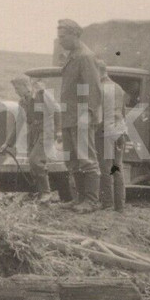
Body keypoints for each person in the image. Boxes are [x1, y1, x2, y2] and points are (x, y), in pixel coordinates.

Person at [57, 19, 102, 213]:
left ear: (74, 34)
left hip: (80, 118)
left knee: (87, 160)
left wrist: (88, 114)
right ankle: (79, 199)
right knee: (72, 159)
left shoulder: (85, 57)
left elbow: (93, 89)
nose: (60, 41)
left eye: (63, 36)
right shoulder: (73, 56)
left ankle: (91, 201)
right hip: (69, 118)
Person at [0, 76, 58, 202]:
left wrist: (58, 132)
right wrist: (7, 143)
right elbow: (19, 123)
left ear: (26, 87)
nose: (16, 91)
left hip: (46, 131)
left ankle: (46, 192)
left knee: (35, 160)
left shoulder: (41, 95)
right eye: (14, 89)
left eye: (17, 88)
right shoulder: (23, 102)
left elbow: (57, 110)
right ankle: (39, 193)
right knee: (31, 163)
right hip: (33, 134)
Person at [96, 61, 128, 211]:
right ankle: (120, 205)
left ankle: (107, 203)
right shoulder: (118, 87)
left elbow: (99, 115)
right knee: (117, 167)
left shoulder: (100, 89)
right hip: (119, 131)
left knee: (105, 168)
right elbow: (123, 111)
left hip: (105, 133)